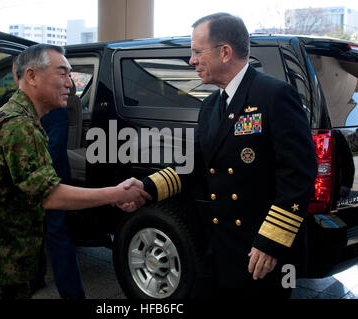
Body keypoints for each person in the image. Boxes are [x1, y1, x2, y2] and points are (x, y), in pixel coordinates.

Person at [123, 13, 318, 298]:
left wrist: (271, 243)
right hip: (221, 243)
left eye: (197, 52)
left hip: (261, 251)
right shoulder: (211, 105)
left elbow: (299, 175)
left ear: (224, 52)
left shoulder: (274, 95)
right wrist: (146, 187)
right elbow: (195, 164)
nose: (191, 61)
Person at [0, 44, 150, 299]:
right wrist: (116, 194)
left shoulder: (23, 118)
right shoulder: (18, 126)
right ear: (32, 76)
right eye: (62, 73)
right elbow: (50, 196)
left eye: (71, 75)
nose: (70, 83)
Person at [40, 79, 86, 300]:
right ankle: (35, 277)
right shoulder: (23, 108)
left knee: (57, 235)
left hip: (52, 180)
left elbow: (54, 149)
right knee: (37, 232)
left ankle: (72, 294)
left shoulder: (56, 108)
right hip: (37, 179)